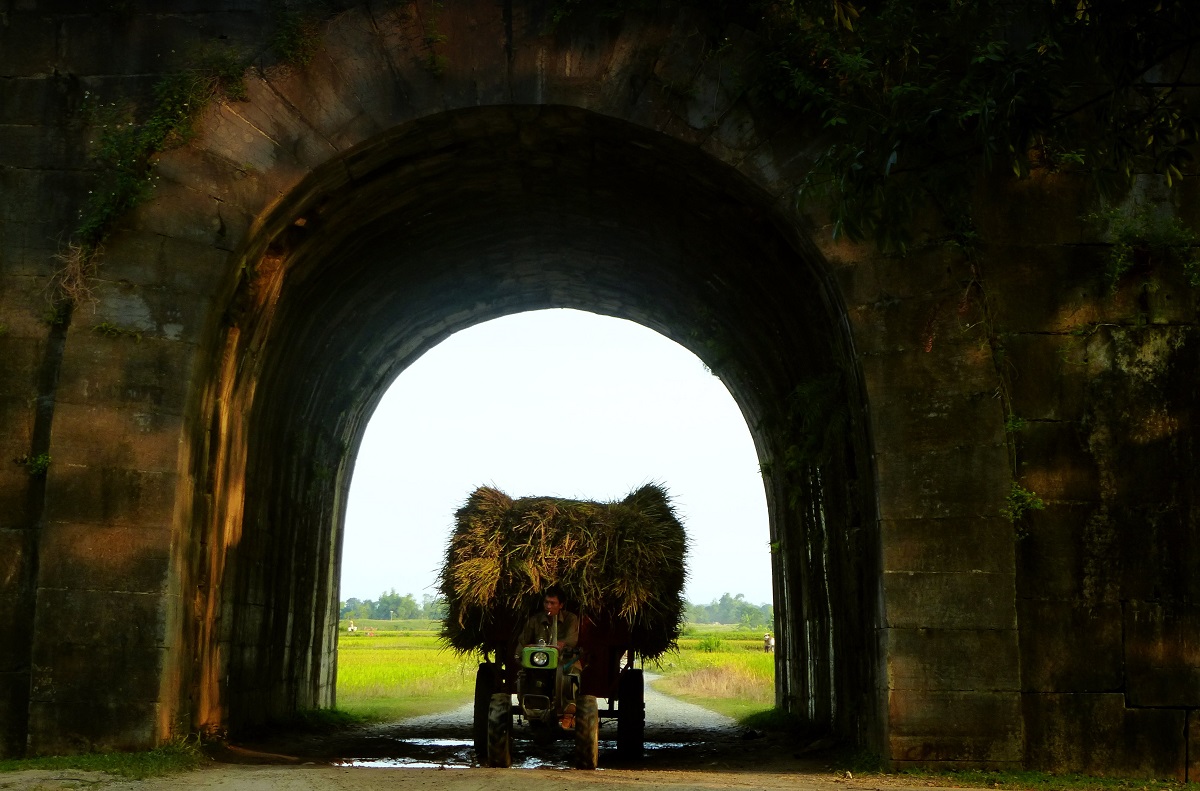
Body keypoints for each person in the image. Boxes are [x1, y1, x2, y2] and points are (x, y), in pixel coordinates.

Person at [516, 585, 581, 729]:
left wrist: (561, 644)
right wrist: (520, 655)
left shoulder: (571, 619)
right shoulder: (535, 620)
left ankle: (570, 707)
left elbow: (572, 639)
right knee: (524, 674)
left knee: (572, 673)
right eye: (546, 602)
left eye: (553, 603)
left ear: (561, 605)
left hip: (564, 659)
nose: (548, 606)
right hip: (539, 661)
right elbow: (523, 641)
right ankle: (529, 702)